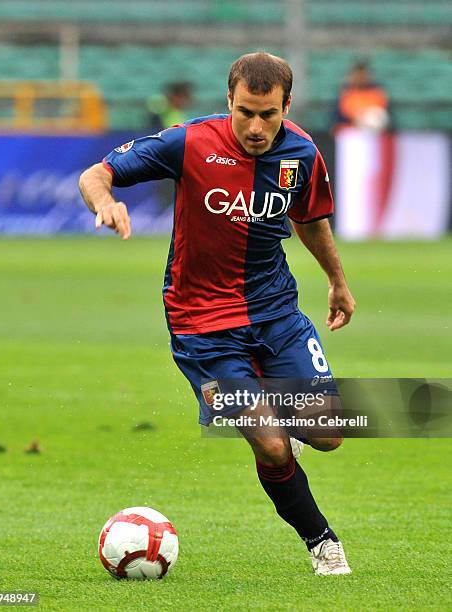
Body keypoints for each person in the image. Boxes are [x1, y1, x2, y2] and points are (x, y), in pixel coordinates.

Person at [79, 52, 356, 576]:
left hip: (276, 314)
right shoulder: (188, 142)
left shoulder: (301, 152)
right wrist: (105, 202)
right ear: (228, 100)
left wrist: (337, 281)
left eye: (268, 114)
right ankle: (321, 541)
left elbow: (312, 219)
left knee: (328, 434)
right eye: (245, 112)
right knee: (274, 448)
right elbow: (98, 172)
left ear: (286, 107)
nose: (255, 127)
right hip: (202, 326)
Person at [333, 60, 390, 133]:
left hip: (375, 132)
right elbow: (338, 119)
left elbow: (384, 115)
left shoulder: (377, 93)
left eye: (364, 75)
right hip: (352, 131)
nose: (361, 78)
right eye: (358, 75)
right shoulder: (346, 93)